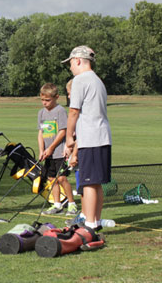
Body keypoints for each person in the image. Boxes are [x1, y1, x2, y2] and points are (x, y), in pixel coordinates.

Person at [63, 45, 112, 231]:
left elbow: (74, 111)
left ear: (77, 61)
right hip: (102, 136)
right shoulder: (98, 81)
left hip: (91, 138)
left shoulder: (80, 80)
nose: (70, 68)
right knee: (96, 182)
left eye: (70, 64)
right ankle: (95, 221)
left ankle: (90, 223)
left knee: (89, 182)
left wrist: (69, 138)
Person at [37, 83, 78, 216]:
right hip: (48, 153)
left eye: (48, 100)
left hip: (59, 151)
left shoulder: (60, 111)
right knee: (51, 179)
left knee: (61, 179)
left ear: (56, 97)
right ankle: (57, 204)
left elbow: (62, 131)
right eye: (42, 100)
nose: (45, 103)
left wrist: (51, 148)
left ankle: (72, 204)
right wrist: (42, 150)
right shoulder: (41, 113)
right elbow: (41, 133)